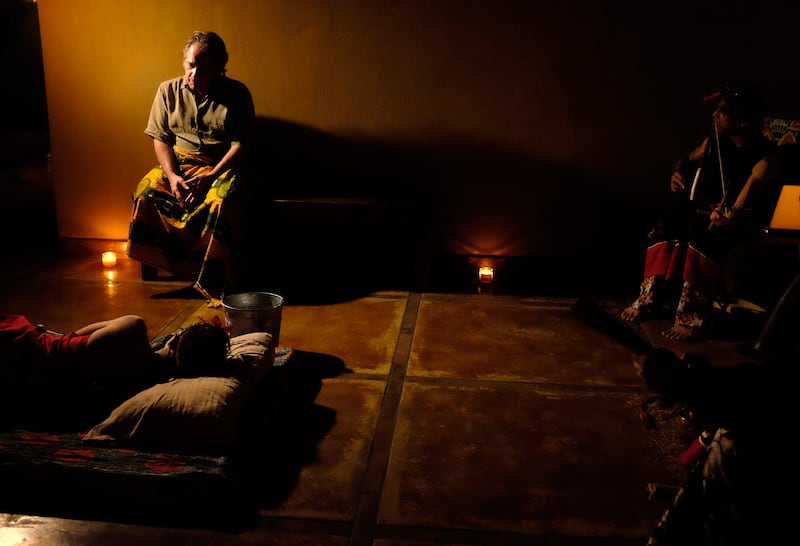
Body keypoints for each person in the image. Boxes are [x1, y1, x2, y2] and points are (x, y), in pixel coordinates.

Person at [620, 83, 784, 341]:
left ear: (742, 121)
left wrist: (728, 216)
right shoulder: (716, 141)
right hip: (708, 214)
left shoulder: (766, 159)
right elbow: (687, 159)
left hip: (743, 222)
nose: (714, 116)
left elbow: (740, 208)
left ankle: (692, 317)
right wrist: (676, 173)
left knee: (702, 234)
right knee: (667, 222)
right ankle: (649, 299)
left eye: (722, 111)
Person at [127, 31, 256, 308]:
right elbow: (160, 138)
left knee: (225, 198)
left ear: (219, 68)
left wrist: (211, 176)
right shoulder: (167, 90)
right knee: (147, 190)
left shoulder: (237, 93)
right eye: (190, 64)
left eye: (203, 68)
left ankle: (216, 276)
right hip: (180, 164)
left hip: (221, 166)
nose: (194, 73)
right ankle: (170, 264)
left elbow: (240, 145)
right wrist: (173, 177)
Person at [0, 313, 231, 430]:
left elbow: (74, 336)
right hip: (31, 392)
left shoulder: (132, 328)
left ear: (173, 339)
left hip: (23, 349)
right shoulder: (144, 391)